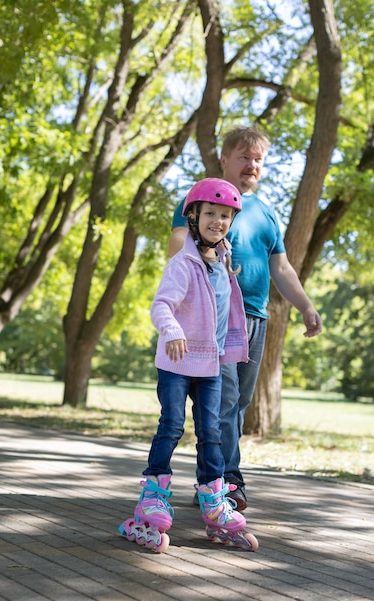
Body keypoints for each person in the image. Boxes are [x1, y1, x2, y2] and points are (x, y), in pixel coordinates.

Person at [169, 126, 322, 511]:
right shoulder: (201, 199)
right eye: (244, 157)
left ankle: (211, 477)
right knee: (224, 399)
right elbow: (177, 249)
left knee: (238, 405)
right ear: (225, 160)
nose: (252, 165)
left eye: (258, 159)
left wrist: (305, 305)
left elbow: (282, 267)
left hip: (255, 318)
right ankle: (227, 482)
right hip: (214, 318)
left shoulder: (266, 213)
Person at [119, 178, 258, 553]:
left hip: (210, 363)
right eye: (211, 213)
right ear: (194, 217)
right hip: (178, 360)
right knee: (172, 425)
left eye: (226, 216)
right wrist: (172, 330)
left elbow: (224, 313)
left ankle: (213, 500)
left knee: (211, 431)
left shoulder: (224, 263)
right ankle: (153, 495)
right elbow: (161, 305)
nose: (218, 221)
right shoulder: (182, 264)